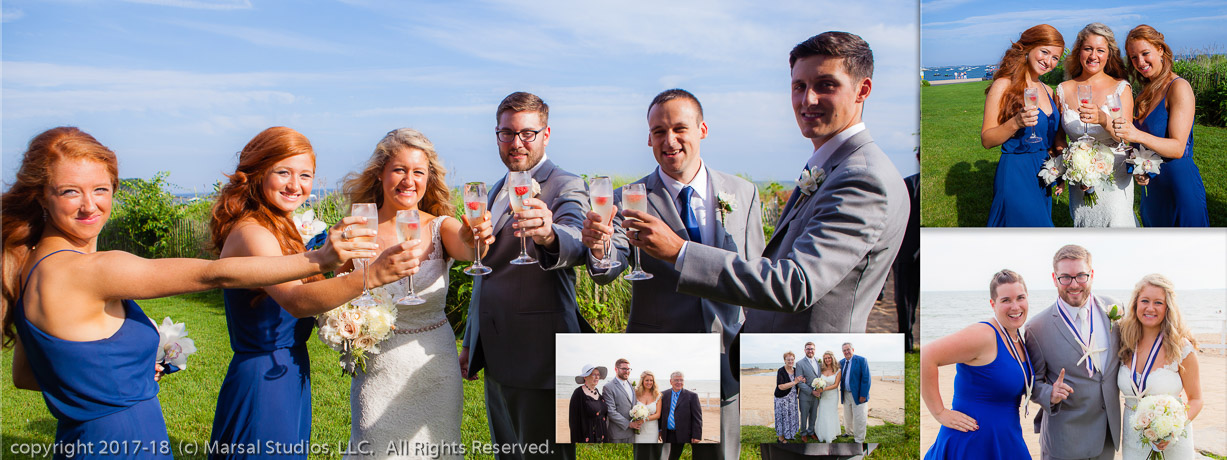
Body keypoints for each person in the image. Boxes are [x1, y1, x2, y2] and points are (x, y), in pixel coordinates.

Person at [3, 127, 375, 458]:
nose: (90, 205)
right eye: (70, 191)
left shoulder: (26, 268)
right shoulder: (91, 269)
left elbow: (28, 375)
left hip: (83, 438)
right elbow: (211, 276)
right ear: (41, 196)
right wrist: (321, 257)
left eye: (100, 189)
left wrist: (122, 376)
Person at [626, 31, 908, 334]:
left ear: (862, 89)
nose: (807, 99)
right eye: (799, 86)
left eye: (826, 85)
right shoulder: (835, 166)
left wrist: (679, 251)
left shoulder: (862, 177)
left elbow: (795, 284)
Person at [207, 126, 425, 458]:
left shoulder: (279, 226)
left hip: (289, 370)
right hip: (264, 379)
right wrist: (372, 275)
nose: (296, 185)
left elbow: (314, 287)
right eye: (283, 172)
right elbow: (295, 301)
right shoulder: (253, 232)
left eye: (305, 175)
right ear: (257, 172)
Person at [582, 88, 763, 459]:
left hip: (725, 354)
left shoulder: (742, 193)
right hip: (656, 357)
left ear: (703, 129)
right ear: (649, 137)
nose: (670, 140)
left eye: (680, 128)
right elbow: (607, 268)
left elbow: (756, 275)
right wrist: (598, 249)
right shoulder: (626, 198)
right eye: (659, 131)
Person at [340, 129, 494, 456]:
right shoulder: (354, 229)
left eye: (418, 172)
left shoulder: (440, 227)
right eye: (399, 169)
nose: (409, 180)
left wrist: (475, 236)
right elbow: (336, 296)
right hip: (377, 372)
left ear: (428, 178)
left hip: (434, 370)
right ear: (380, 173)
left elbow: (469, 248)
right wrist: (345, 333)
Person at [460, 91, 591, 459]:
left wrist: (549, 235)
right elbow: (482, 272)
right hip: (497, 353)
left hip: (540, 357)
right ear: (497, 135)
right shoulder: (496, 189)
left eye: (527, 133)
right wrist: (472, 339)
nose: (516, 143)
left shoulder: (565, 184)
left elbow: (577, 238)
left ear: (545, 135)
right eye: (507, 133)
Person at [923, 270, 1034, 459]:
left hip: (1006, 438)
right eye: (1006, 300)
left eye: (1020, 298)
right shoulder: (983, 334)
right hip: (972, 442)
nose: (1015, 306)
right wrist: (940, 412)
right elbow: (926, 356)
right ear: (993, 304)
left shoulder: (1017, 338)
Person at [1024, 244, 1121, 460]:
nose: (1074, 284)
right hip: (1064, 441)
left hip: (1107, 436)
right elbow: (1032, 385)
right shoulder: (1037, 328)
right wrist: (1051, 393)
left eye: (1081, 276)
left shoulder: (1114, 309)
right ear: (1054, 278)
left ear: (1092, 275)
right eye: (1065, 277)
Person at [1112, 25, 1209, 227]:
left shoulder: (1178, 87)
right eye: (1133, 57)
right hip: (1153, 190)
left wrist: (1136, 134)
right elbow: (1144, 147)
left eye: (1145, 53)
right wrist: (1138, 167)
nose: (1140, 62)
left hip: (1178, 187)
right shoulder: (1143, 93)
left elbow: (1177, 148)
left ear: (1160, 50)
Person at [981, 24, 1064, 227]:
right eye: (1044, 52)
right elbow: (987, 139)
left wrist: (1061, 170)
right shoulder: (1004, 85)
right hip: (1016, 172)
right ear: (1028, 48)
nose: (1048, 61)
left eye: (1055, 58)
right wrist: (1016, 122)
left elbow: (1053, 141)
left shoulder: (1048, 91)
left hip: (1043, 173)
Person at [1056, 23, 1137, 227]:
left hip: (1115, 178)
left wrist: (1103, 118)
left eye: (1100, 50)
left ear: (1109, 54)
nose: (1094, 55)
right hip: (1080, 180)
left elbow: (1126, 138)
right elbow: (1058, 137)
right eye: (1088, 49)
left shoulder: (1121, 88)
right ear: (1079, 52)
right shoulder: (1063, 90)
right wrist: (1071, 165)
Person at [1116, 274, 1202, 460]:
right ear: (1135, 304)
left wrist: (1173, 428)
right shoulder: (1125, 343)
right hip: (1133, 440)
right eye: (1145, 301)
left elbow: (1196, 400)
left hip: (1172, 441)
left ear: (1168, 307)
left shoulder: (1181, 347)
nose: (1150, 308)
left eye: (1158, 303)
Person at [894, 152, 920, 352]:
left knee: (905, 301)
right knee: (904, 301)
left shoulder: (906, 184)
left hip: (907, 250)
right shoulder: (905, 185)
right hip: (906, 251)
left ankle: (907, 343)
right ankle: (906, 343)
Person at [659, 371, 702, 460]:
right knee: (666, 456)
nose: (679, 382)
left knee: (676, 456)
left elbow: (697, 417)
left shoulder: (692, 396)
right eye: (676, 380)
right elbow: (661, 414)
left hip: (684, 434)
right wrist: (659, 429)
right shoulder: (663, 395)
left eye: (681, 380)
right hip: (667, 433)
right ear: (671, 381)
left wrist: (697, 435)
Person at [568, 365, 609, 443]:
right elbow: (573, 422)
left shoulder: (597, 392)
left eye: (598, 375)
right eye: (593, 374)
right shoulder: (578, 393)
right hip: (587, 436)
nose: (597, 377)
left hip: (602, 434)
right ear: (585, 377)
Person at [839, 342, 871, 444]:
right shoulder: (841, 362)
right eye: (844, 350)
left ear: (853, 350)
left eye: (848, 349)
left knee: (859, 417)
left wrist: (863, 395)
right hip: (845, 393)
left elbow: (866, 379)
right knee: (847, 415)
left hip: (858, 394)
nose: (846, 352)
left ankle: (859, 439)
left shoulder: (861, 360)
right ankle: (849, 432)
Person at [603, 358, 641, 443]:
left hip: (632, 434)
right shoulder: (609, 387)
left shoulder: (631, 385)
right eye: (624, 369)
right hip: (617, 434)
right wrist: (629, 424)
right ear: (616, 369)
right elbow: (611, 411)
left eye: (628, 369)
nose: (627, 371)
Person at [774, 351, 805, 443]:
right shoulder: (781, 371)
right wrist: (794, 382)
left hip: (792, 399)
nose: (790, 361)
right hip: (782, 398)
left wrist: (802, 380)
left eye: (792, 359)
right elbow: (780, 386)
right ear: (784, 360)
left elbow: (799, 380)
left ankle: (790, 434)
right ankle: (781, 438)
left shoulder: (796, 370)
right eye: (788, 359)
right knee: (782, 417)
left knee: (791, 417)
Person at [793, 342, 821, 442]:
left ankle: (811, 432)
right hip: (805, 396)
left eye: (812, 349)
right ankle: (803, 433)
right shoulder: (800, 363)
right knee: (804, 416)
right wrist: (811, 392)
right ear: (805, 350)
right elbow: (800, 382)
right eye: (808, 349)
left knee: (814, 415)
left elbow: (820, 378)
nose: (810, 351)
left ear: (815, 350)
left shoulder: (819, 362)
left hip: (817, 396)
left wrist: (819, 390)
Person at [813, 350, 843, 443]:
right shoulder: (821, 369)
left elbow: (836, 385)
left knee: (831, 413)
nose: (827, 360)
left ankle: (831, 433)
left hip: (832, 395)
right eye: (825, 358)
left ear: (832, 358)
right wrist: (818, 387)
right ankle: (821, 433)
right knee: (822, 412)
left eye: (828, 358)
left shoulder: (838, 370)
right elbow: (818, 380)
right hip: (823, 396)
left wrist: (824, 389)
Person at [633, 370, 664, 444]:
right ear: (642, 381)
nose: (649, 382)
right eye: (647, 380)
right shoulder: (635, 393)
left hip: (652, 429)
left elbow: (658, 415)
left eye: (651, 380)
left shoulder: (657, 395)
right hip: (638, 427)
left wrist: (644, 419)